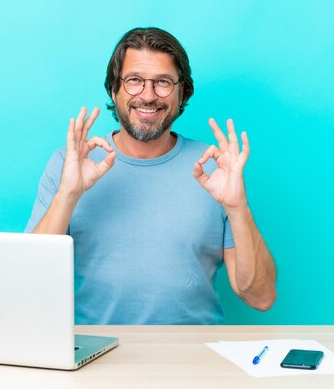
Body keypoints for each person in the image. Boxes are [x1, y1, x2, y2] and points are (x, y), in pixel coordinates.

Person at [25, 27, 276, 324]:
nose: (148, 95)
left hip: (193, 360)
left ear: (183, 91)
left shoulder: (215, 168)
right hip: (95, 358)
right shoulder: (70, 164)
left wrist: (238, 209)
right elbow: (29, 281)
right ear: (113, 89)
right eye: (134, 81)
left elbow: (260, 297)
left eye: (163, 82)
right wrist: (68, 194)